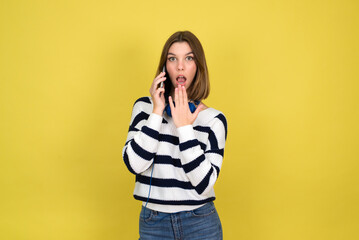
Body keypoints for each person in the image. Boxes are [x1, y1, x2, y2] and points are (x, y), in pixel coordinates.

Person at [122, 31, 228, 240]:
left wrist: (184, 128)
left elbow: (204, 183)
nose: (180, 66)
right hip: (153, 223)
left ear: (198, 66)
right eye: (172, 59)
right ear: (164, 68)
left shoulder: (214, 120)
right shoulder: (145, 108)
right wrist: (157, 111)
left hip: (200, 223)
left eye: (188, 58)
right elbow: (134, 164)